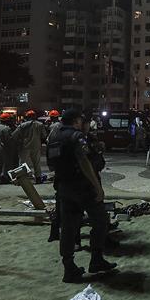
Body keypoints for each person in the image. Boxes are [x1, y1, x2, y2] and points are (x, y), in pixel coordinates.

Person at [49, 109, 116, 283]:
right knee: (101, 221)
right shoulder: (76, 136)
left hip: (64, 187)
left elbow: (51, 165)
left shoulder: (54, 137)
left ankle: (69, 267)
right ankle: (96, 259)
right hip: (82, 187)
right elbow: (84, 162)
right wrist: (97, 187)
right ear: (76, 120)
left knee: (68, 228)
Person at [12, 110, 46, 183]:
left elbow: (14, 135)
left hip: (25, 146)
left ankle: (22, 179)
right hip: (36, 146)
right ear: (35, 116)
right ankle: (38, 178)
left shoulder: (22, 125)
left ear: (27, 117)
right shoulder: (40, 124)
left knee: (23, 163)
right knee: (36, 163)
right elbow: (44, 136)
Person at [0, 113, 18, 184]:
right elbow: (8, 140)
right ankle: (4, 178)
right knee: (6, 164)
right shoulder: (6, 128)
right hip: (5, 149)